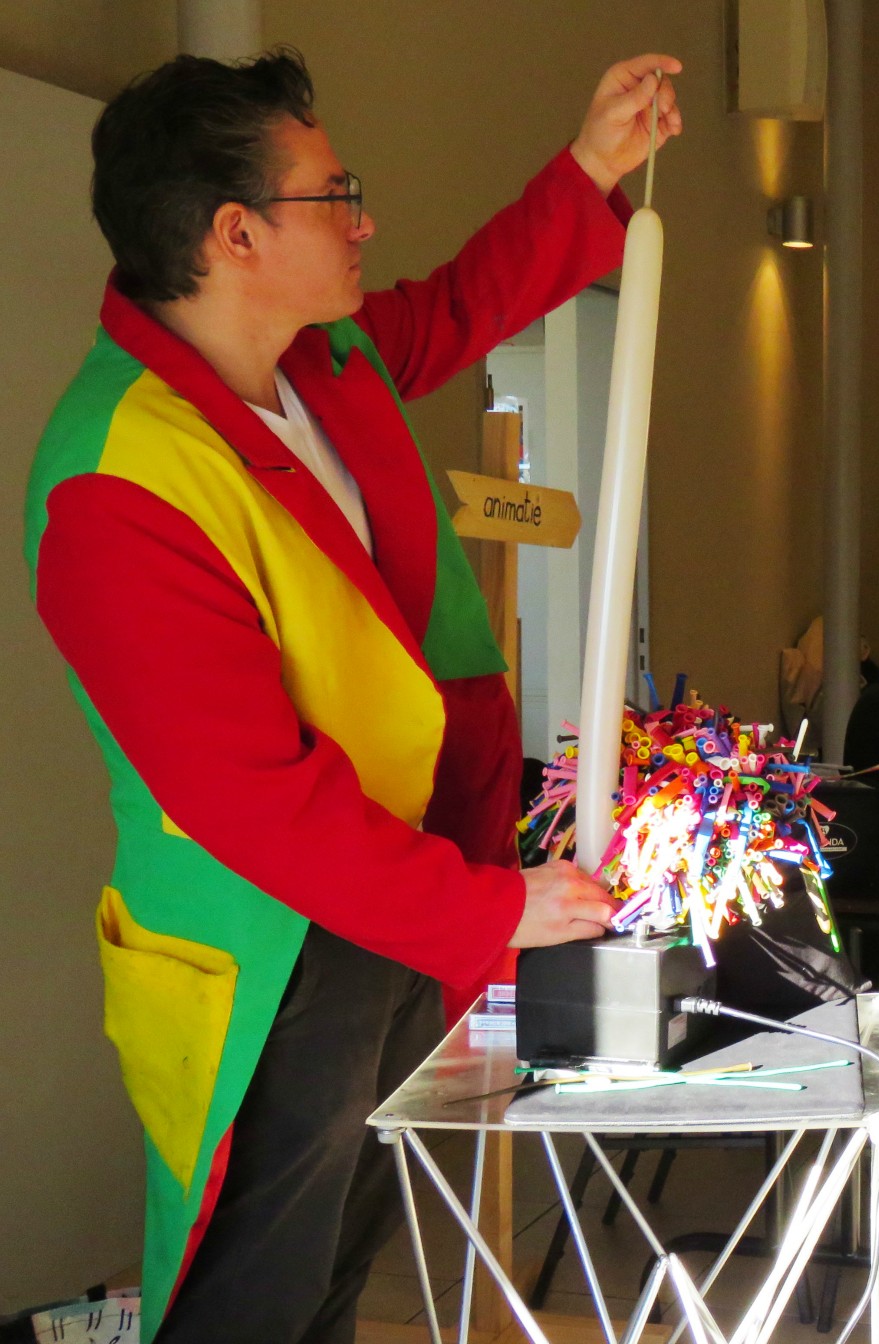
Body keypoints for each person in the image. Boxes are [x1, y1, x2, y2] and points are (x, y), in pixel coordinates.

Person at [26, 48, 668, 1341]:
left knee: (338, 1260)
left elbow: (451, 311)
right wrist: (493, 911)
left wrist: (591, 168)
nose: (365, 219)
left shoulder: (318, 361)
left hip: (388, 896)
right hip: (277, 950)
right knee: (255, 1291)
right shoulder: (118, 481)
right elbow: (256, 804)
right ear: (236, 233)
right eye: (338, 194)